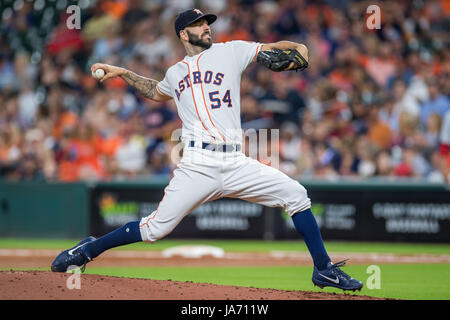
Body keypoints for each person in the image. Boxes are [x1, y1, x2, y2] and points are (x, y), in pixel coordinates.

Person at [51, 9, 363, 292]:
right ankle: (88, 250)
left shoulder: (231, 51)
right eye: (198, 25)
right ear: (183, 34)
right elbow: (155, 91)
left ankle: (324, 269)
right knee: (154, 229)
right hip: (198, 165)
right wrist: (122, 73)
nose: (206, 28)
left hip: (235, 161)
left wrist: (300, 52)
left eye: (207, 23)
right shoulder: (175, 73)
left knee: (296, 195)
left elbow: (284, 48)